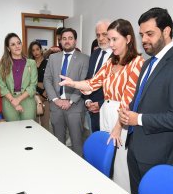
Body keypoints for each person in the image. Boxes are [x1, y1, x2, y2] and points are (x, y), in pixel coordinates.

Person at [119, 8, 173, 194]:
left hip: (159, 155)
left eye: (150, 34)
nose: (144, 39)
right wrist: (128, 112)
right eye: (141, 35)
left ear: (166, 31)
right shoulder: (147, 64)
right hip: (136, 149)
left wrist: (137, 119)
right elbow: (144, 99)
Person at [59, 19, 144, 192]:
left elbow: (128, 100)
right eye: (109, 39)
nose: (110, 44)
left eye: (114, 39)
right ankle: (105, 192)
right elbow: (92, 84)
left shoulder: (137, 63)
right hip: (106, 111)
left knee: (120, 162)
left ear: (128, 39)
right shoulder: (110, 62)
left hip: (123, 116)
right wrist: (73, 83)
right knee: (105, 157)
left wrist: (118, 127)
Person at [44, 28, 89, 156]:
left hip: (75, 106)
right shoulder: (53, 58)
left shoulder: (85, 59)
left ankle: (78, 170)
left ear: (75, 40)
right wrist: (55, 99)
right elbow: (47, 79)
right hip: (56, 106)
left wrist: (71, 100)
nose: (67, 41)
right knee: (58, 142)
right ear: (60, 41)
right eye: (64, 38)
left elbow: (84, 81)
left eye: (70, 38)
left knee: (77, 143)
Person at [0, 33, 37, 121]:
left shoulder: (31, 63)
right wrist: (14, 101)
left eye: (18, 43)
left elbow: (33, 86)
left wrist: (18, 99)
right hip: (9, 101)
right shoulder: (2, 64)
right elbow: (2, 87)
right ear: (8, 48)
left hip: (27, 100)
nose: (17, 46)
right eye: (13, 44)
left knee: (28, 129)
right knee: (12, 131)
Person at [83, 19, 112, 133]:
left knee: (110, 146)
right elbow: (89, 79)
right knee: (96, 142)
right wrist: (87, 100)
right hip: (92, 110)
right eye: (98, 35)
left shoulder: (118, 56)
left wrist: (100, 104)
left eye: (104, 34)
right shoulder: (95, 54)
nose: (100, 38)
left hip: (109, 110)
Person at [29, 40, 50, 130]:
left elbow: (51, 80)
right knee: (35, 124)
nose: (36, 52)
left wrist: (45, 92)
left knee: (45, 124)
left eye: (37, 49)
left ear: (41, 50)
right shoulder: (29, 64)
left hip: (46, 96)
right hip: (33, 97)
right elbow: (28, 82)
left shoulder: (48, 63)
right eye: (33, 50)